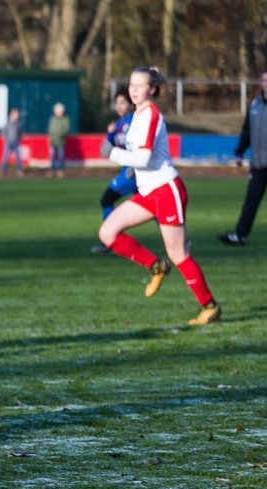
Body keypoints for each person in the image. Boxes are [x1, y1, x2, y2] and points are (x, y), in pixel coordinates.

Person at [97, 66, 220, 326]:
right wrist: (132, 170)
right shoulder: (137, 115)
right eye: (130, 85)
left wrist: (113, 154)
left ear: (151, 89)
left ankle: (209, 307)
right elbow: (145, 157)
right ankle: (156, 267)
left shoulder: (150, 114)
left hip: (166, 191)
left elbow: (143, 156)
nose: (133, 90)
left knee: (179, 254)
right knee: (107, 233)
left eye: (139, 85)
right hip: (148, 191)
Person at [218, 70, 267, 246]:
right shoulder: (255, 104)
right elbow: (247, 131)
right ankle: (240, 235)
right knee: (250, 203)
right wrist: (239, 152)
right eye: (264, 79)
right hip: (258, 164)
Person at [90, 91, 140, 254]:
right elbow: (108, 147)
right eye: (117, 103)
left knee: (107, 199)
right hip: (128, 170)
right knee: (153, 207)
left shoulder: (135, 120)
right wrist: (110, 133)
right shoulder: (118, 123)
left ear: (131, 104)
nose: (119, 106)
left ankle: (110, 239)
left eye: (122, 102)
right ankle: (181, 239)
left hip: (133, 171)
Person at [47, 102, 70, 178]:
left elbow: (66, 130)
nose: (58, 113)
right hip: (53, 142)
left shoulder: (65, 119)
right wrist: (49, 137)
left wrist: (61, 134)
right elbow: (49, 129)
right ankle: (52, 170)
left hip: (61, 142)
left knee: (61, 157)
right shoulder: (52, 119)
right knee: (52, 157)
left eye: (60, 111)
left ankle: (61, 171)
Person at [0, 108, 23, 176]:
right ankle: (4, 170)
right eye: (15, 114)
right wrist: (6, 139)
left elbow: (20, 133)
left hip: (16, 142)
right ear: (12, 115)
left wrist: (19, 139)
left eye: (17, 114)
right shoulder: (8, 123)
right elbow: (3, 132)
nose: (16, 116)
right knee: (6, 157)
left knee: (18, 157)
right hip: (9, 142)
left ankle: (19, 170)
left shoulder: (18, 123)